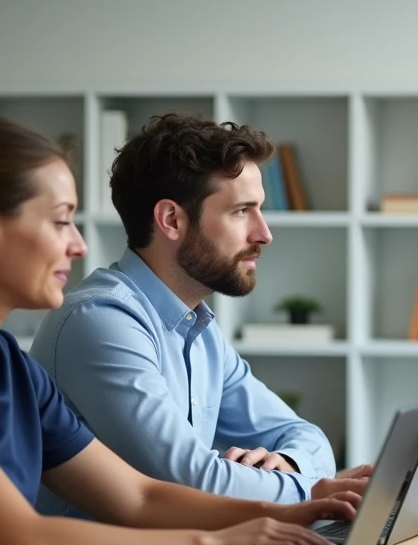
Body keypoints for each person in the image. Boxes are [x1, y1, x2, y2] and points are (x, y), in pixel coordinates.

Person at [0, 116, 356, 545]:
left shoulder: (6, 362)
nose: (79, 245)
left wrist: (295, 511)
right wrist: (222, 540)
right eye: (61, 220)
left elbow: (139, 498)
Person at [33, 114, 369, 519]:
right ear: (172, 220)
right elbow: (192, 481)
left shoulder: (198, 329)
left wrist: (292, 465)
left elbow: (304, 436)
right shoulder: (101, 320)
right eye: (242, 211)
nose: (264, 233)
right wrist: (309, 491)